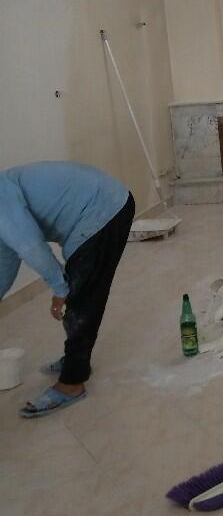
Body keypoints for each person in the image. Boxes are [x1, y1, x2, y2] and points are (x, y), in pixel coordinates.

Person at [0, 162, 134, 418]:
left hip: (104, 208)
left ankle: (72, 382)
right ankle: (75, 358)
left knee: (82, 299)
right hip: (101, 203)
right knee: (79, 293)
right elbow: (6, 257)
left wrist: (59, 287)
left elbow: (30, 247)